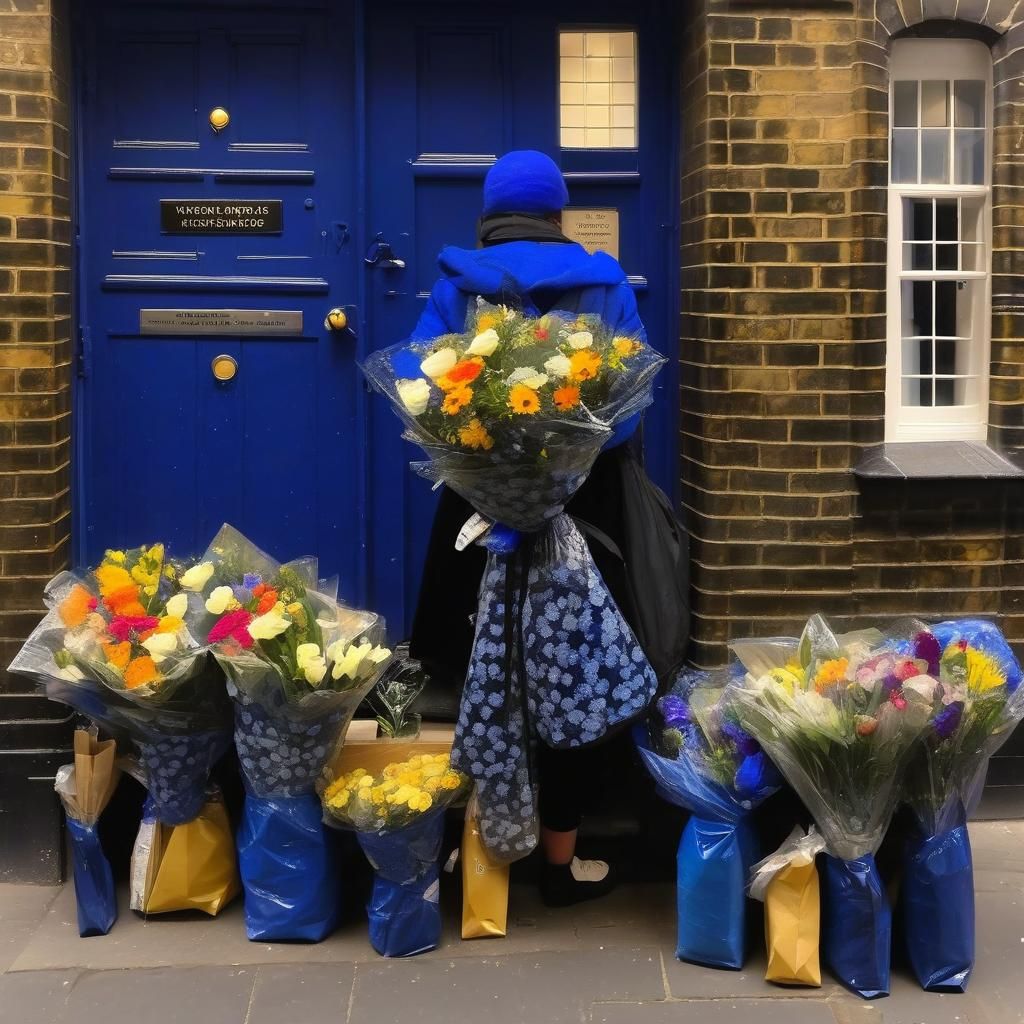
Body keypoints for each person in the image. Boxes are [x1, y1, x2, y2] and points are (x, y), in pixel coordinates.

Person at [407, 150, 661, 906]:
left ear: (490, 214)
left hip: (478, 511)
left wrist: (493, 464)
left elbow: (424, 389)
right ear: (557, 214)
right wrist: (566, 461)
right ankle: (560, 863)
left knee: (475, 671)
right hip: (581, 514)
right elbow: (632, 404)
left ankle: (475, 853)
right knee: (571, 676)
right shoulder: (604, 282)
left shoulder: (457, 281)